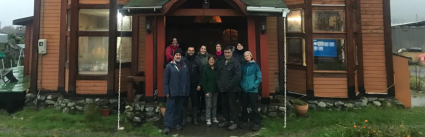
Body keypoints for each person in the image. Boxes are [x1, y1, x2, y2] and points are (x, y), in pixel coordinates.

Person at [163, 48, 190, 135]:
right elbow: (165, 80)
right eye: (176, 55)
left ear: (181, 56)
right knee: (169, 109)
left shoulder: (185, 66)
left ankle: (176, 123)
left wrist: (187, 90)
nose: (178, 56)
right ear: (174, 56)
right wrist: (166, 91)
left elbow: (187, 79)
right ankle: (167, 126)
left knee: (178, 109)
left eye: (179, 55)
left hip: (181, 91)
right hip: (172, 91)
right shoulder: (169, 66)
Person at [216, 46, 241, 131]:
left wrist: (229, 86)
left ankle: (234, 122)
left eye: (228, 52)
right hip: (222, 89)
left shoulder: (235, 62)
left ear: (232, 53)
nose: (227, 54)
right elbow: (218, 74)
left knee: (232, 106)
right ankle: (227, 120)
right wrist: (219, 84)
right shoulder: (221, 62)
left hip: (232, 90)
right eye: (225, 52)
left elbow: (237, 77)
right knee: (225, 106)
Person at [239, 51, 262, 131]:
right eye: (245, 56)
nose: (246, 57)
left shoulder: (256, 66)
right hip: (244, 91)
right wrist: (241, 85)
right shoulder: (243, 66)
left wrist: (254, 86)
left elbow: (259, 78)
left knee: (254, 107)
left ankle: (256, 123)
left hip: (253, 91)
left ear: (251, 56)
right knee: (244, 107)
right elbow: (240, 78)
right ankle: (245, 121)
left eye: (248, 55)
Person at [182, 47, 203, 126]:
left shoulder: (198, 60)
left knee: (195, 103)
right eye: (189, 50)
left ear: (194, 51)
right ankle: (184, 119)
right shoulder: (183, 60)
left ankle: (194, 119)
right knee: (184, 103)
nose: (191, 52)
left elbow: (201, 73)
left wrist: (199, 84)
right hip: (185, 86)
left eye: (192, 50)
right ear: (187, 51)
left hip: (195, 86)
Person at [201, 56, 220, 126]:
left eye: (212, 59)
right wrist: (205, 91)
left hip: (215, 90)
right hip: (208, 90)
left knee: (214, 105)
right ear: (208, 60)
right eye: (210, 59)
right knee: (209, 105)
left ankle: (214, 117)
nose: (211, 61)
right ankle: (208, 118)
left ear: (214, 61)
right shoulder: (205, 68)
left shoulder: (216, 69)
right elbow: (203, 81)